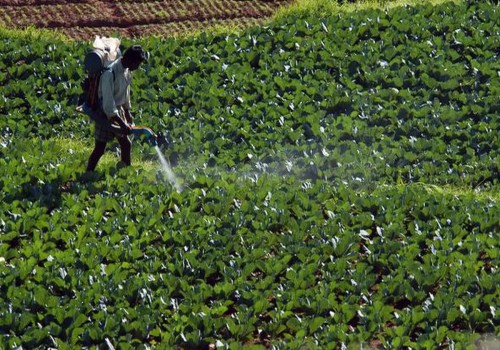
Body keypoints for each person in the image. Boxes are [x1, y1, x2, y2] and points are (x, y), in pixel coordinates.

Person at [86, 45, 149, 172]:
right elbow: (108, 106)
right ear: (130, 60)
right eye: (137, 63)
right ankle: (87, 174)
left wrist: (127, 111)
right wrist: (122, 123)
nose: (138, 67)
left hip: (117, 110)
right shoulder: (109, 74)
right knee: (99, 149)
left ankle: (126, 174)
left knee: (126, 144)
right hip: (104, 112)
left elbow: (125, 91)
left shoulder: (127, 71)